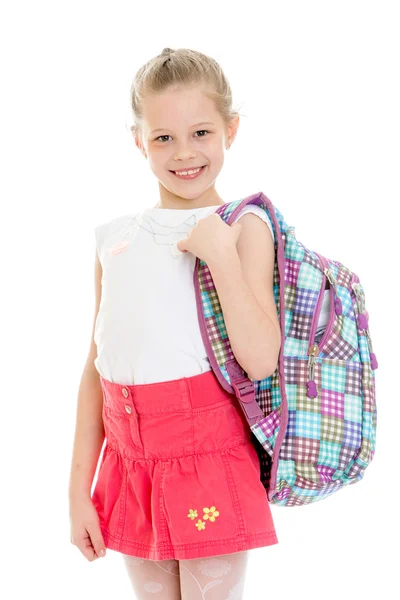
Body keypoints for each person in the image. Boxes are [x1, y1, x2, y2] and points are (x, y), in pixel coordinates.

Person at [69, 46, 289, 599]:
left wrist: (219, 255)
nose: (184, 153)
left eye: (201, 133)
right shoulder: (114, 238)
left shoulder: (242, 226)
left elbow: (261, 359)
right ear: (139, 139)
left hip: (208, 456)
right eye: (163, 136)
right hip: (128, 459)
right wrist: (79, 490)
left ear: (230, 130)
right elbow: (97, 368)